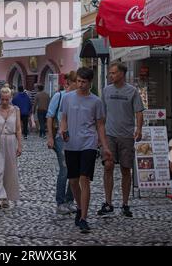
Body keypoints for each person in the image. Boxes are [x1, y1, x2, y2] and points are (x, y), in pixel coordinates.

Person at [60, 67, 112, 233]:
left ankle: (83, 217)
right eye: (79, 81)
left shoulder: (96, 102)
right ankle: (80, 208)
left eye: (84, 82)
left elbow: (100, 125)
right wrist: (63, 129)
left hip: (88, 143)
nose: (80, 85)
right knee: (74, 181)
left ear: (90, 83)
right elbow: (64, 118)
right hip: (71, 144)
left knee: (84, 179)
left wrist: (104, 146)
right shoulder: (67, 98)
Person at [98, 61, 144, 218]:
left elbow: (138, 111)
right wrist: (100, 135)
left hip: (126, 136)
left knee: (126, 169)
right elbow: (101, 115)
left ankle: (125, 203)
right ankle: (108, 202)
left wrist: (139, 129)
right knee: (108, 166)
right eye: (110, 73)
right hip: (109, 135)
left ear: (122, 74)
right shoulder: (106, 91)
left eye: (114, 73)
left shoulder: (132, 91)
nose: (111, 75)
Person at [47, 84, 75, 215]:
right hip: (60, 137)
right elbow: (50, 116)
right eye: (77, 82)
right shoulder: (59, 96)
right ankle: (60, 202)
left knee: (74, 171)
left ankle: (70, 200)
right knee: (65, 170)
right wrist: (50, 137)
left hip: (75, 138)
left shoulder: (78, 97)